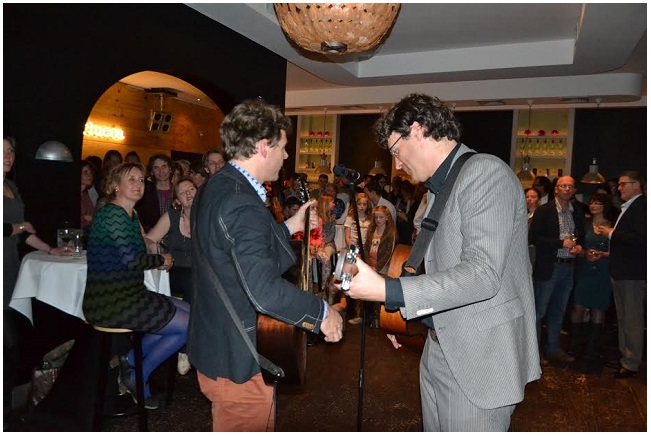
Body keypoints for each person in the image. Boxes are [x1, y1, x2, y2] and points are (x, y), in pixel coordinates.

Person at [343, 94, 540, 431]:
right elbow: (444, 269)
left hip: (478, 358)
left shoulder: (485, 173)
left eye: (395, 151)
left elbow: (481, 275)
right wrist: (404, 318)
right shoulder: (441, 186)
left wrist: (389, 291)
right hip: (439, 347)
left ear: (417, 129)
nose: (397, 165)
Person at [187, 99, 343, 432]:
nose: (286, 156)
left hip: (216, 340)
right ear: (263, 147)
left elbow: (230, 251)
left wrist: (289, 227)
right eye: (283, 147)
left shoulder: (218, 186)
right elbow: (264, 290)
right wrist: (321, 313)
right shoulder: (240, 201)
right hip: (236, 358)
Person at [83, 162, 189, 410]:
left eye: (141, 180)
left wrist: (156, 254)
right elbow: (131, 260)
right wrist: (161, 260)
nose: (138, 184)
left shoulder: (131, 215)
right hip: (110, 302)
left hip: (131, 295)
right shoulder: (112, 214)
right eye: (131, 179)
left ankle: (130, 361)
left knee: (191, 314)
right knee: (186, 326)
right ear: (115, 185)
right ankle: (138, 374)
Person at [594, 171, 646, 378]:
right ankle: (626, 357)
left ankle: (631, 363)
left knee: (632, 319)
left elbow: (640, 238)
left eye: (624, 184)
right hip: (622, 271)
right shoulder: (630, 206)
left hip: (632, 273)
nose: (619, 188)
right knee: (624, 318)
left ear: (636, 185)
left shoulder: (642, 206)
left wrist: (610, 233)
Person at [529, 176, 584, 366]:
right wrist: (561, 243)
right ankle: (534, 352)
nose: (567, 189)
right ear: (556, 190)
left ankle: (553, 348)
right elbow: (534, 238)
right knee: (539, 312)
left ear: (574, 191)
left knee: (558, 311)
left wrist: (579, 247)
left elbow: (580, 238)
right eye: (563, 186)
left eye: (570, 186)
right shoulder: (544, 211)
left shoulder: (577, 213)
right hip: (549, 267)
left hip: (569, 267)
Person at [145, 177, 197, 376]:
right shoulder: (172, 216)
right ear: (177, 200)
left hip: (199, 273)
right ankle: (185, 348)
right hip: (174, 270)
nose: (188, 194)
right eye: (183, 192)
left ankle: (189, 339)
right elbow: (149, 238)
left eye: (191, 189)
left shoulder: (206, 216)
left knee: (199, 282)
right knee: (193, 281)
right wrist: (157, 252)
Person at [567, 193, 614, 364]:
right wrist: (585, 253)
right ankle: (574, 346)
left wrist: (603, 254)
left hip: (603, 271)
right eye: (592, 202)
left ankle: (591, 348)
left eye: (598, 203)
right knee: (578, 306)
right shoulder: (584, 224)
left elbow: (619, 250)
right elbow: (577, 245)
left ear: (605, 206)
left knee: (598, 308)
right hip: (585, 270)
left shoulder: (612, 226)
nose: (593, 205)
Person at [136, 153, 174, 232]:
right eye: (156, 168)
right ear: (152, 172)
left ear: (170, 169)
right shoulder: (145, 193)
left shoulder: (178, 190)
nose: (161, 171)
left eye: (164, 166)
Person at [80, 159, 96, 231]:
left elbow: (92, 213)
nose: (89, 175)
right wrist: (84, 218)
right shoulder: (70, 195)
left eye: (91, 172)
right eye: (85, 172)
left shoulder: (85, 195)